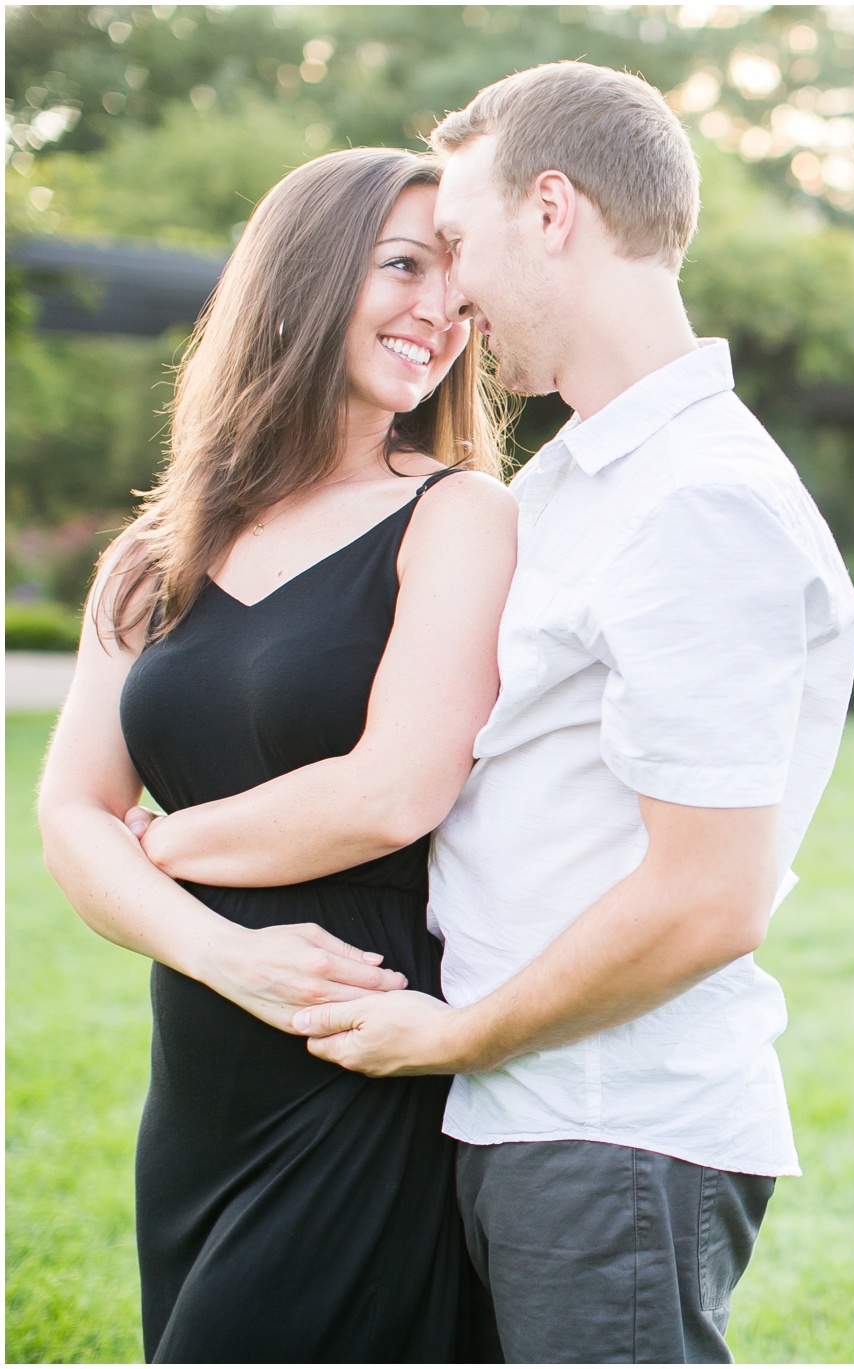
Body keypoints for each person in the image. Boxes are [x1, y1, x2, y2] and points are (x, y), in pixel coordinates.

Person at [288, 62, 854, 1363]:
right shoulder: (576, 485)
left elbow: (711, 896)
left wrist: (456, 1035)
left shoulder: (697, 502)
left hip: (612, 1133)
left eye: (459, 243)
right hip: (530, 1115)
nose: (452, 294)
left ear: (552, 211)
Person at [35, 147, 517, 1361]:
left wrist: (170, 843)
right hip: (202, 1062)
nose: (437, 316)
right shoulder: (157, 552)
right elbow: (67, 813)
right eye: (403, 265)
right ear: (297, 274)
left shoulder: (457, 512)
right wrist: (219, 953)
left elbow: (395, 790)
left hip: (360, 1045)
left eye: (459, 293)